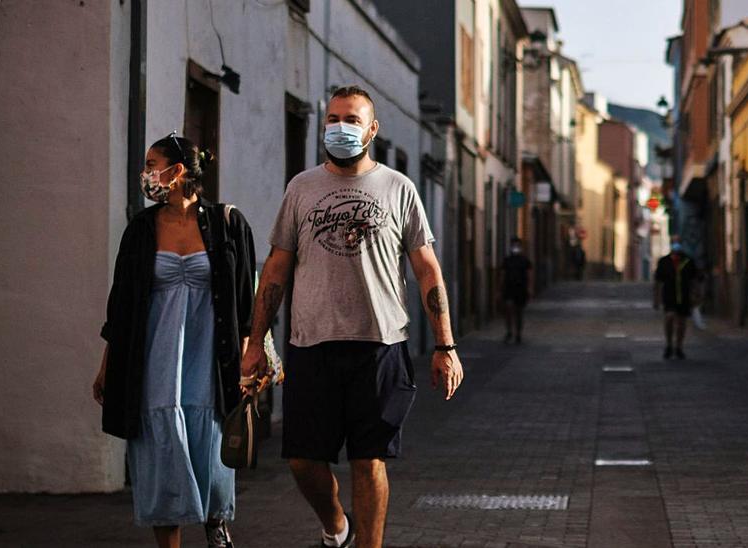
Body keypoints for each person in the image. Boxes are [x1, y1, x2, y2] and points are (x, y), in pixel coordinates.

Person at [239, 85, 463, 548]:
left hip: (379, 345)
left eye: (352, 120)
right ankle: (337, 525)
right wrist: (255, 340)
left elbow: (426, 269)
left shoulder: (398, 188)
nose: (340, 127)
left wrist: (445, 345)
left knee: (369, 459)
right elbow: (276, 267)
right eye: (333, 119)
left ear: (372, 129)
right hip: (311, 345)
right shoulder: (301, 188)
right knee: (303, 460)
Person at [94, 133, 256, 548]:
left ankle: (215, 520)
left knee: (210, 443)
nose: (146, 174)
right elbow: (122, 303)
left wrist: (252, 358)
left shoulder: (227, 223)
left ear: (177, 171)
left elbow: (245, 301)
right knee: (161, 452)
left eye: (152, 164)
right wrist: (107, 363)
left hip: (210, 362)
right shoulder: (141, 229)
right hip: (153, 363)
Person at [653, 241, 701, 360]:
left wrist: (696, 295)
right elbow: (658, 281)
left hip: (684, 296)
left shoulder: (688, 262)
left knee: (681, 322)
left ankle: (679, 347)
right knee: (669, 317)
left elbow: (694, 280)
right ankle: (669, 344)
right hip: (669, 296)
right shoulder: (664, 262)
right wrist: (656, 299)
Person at [501, 237, 533, 344]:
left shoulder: (524, 260)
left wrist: (529, 288)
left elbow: (529, 275)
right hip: (508, 289)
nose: (515, 248)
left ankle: (518, 333)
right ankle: (509, 331)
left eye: (517, 245)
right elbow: (502, 274)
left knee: (519, 312)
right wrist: (500, 289)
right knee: (509, 311)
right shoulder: (507, 260)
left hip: (521, 289)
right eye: (514, 245)